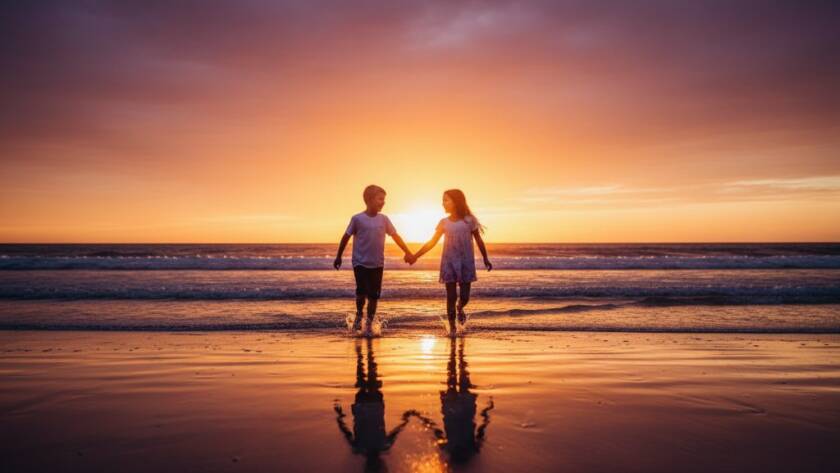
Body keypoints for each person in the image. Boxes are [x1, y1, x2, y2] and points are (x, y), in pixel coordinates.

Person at [407, 189, 492, 336]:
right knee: (451, 296)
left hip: (466, 262)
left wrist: (485, 258)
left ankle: (460, 308)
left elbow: (478, 239)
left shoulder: (469, 220)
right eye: (443, 200)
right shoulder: (443, 223)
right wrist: (416, 255)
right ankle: (453, 329)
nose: (443, 203)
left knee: (464, 297)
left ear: (456, 201)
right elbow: (432, 242)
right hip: (449, 262)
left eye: (446, 200)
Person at [335, 185, 413, 334]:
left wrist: (407, 252)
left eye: (384, 199)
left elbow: (395, 236)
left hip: (377, 263)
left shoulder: (384, 219)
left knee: (374, 296)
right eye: (380, 199)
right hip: (360, 262)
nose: (383, 202)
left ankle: (369, 325)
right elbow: (346, 236)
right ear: (369, 200)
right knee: (361, 292)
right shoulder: (357, 219)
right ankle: (359, 313)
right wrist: (339, 256)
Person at [334, 338, 410, 471]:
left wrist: (340, 416)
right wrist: (339, 417)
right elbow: (396, 432)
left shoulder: (374, 446)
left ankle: (365, 352)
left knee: (366, 379)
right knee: (364, 380)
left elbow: (346, 431)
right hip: (368, 405)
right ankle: (363, 353)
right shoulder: (365, 447)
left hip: (369, 405)